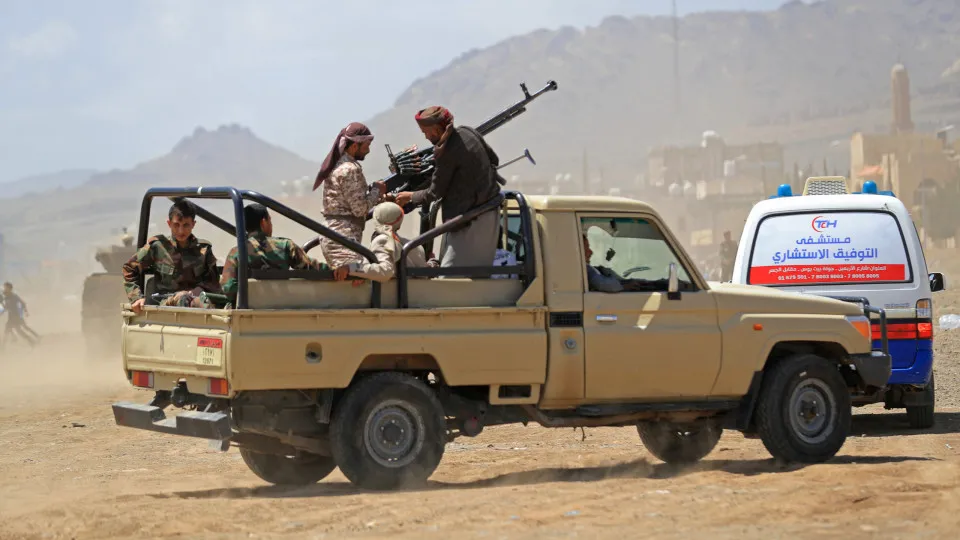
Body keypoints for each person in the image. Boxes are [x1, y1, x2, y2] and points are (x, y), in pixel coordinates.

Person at [394, 106, 503, 268]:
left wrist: (409, 196)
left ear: (436, 129)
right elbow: (494, 159)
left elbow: (434, 193)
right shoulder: (468, 131)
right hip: (490, 212)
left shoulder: (446, 151)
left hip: (470, 221)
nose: (426, 136)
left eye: (426, 132)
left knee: (452, 275)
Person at [219, 203, 349, 301]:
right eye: (270, 220)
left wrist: (253, 294)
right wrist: (340, 270)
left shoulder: (236, 252)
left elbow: (228, 288)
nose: (271, 225)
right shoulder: (285, 246)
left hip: (248, 313)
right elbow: (313, 268)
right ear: (263, 222)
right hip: (282, 306)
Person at [121, 199, 221, 313]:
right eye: (176, 225)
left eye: (186, 225)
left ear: (193, 224)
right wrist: (136, 298)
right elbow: (129, 268)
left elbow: (213, 282)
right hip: (165, 304)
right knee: (186, 300)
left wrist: (196, 291)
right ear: (169, 224)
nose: (181, 231)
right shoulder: (158, 246)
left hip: (196, 301)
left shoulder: (204, 249)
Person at [313, 122, 387, 267]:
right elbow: (360, 209)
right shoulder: (349, 169)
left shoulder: (340, 166)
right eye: (366, 146)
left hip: (339, 235)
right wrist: (377, 190)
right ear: (354, 146)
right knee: (358, 277)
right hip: (342, 238)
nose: (368, 151)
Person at [346, 202, 427, 283]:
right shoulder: (415, 246)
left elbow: (385, 270)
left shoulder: (382, 240)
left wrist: (351, 268)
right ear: (399, 225)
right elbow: (424, 273)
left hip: (389, 291)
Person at [1, 282, 39, 347]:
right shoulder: (6, 297)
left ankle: (32, 341)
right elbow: (6, 307)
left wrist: (26, 311)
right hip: (11, 316)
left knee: (18, 331)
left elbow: (22, 303)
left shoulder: (13, 296)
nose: (4, 289)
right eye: (4, 287)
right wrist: (2, 309)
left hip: (16, 316)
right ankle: (32, 341)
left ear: (10, 288)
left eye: (6, 288)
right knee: (10, 330)